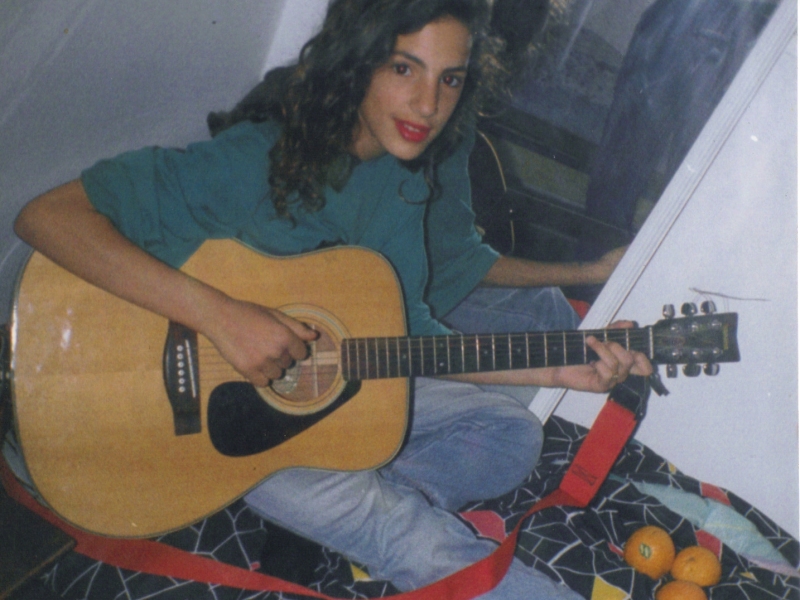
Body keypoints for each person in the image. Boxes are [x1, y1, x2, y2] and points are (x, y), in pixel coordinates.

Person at [14, 1, 651, 598]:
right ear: (358, 61)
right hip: (179, 420)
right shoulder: (256, 159)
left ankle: (326, 501)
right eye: (404, 68)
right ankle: (357, 513)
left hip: (301, 407)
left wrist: (556, 369)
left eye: (450, 79)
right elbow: (46, 217)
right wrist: (222, 317)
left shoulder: (402, 180)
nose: (428, 104)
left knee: (511, 435)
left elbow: (412, 337)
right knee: (403, 531)